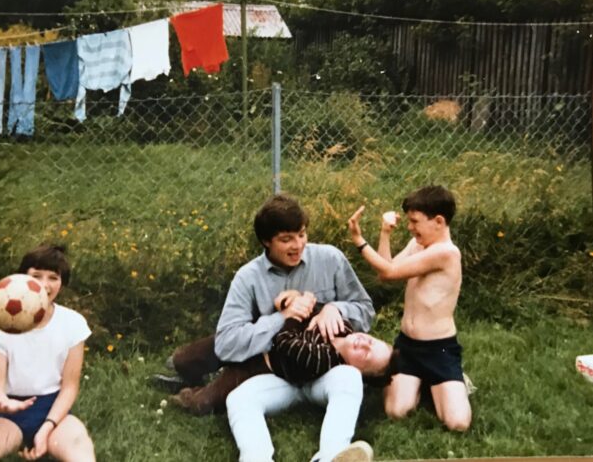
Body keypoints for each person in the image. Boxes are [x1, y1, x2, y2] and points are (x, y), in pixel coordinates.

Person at [216, 193, 375, 462]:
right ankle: (256, 458)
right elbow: (226, 343)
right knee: (239, 399)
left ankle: (332, 456)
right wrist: (283, 318)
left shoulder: (330, 258)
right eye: (286, 239)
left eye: (301, 234)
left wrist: (335, 308)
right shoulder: (247, 277)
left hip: (325, 370)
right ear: (266, 240)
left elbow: (365, 310)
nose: (297, 245)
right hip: (280, 375)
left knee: (349, 377)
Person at [0, 244, 96, 462]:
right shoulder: (2, 323)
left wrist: (47, 428)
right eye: (36, 276)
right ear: (22, 278)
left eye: (53, 278)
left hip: (54, 411)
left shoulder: (73, 323)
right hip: (11, 415)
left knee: (80, 450)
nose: (45, 285)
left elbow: (70, 387)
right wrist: (2, 403)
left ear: (62, 283)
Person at [348, 185, 472, 431]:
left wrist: (359, 241)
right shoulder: (418, 245)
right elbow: (387, 270)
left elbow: (390, 272)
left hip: (440, 349)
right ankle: (426, 383)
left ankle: (454, 382)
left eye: (415, 221)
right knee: (396, 411)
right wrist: (385, 234)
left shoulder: (447, 253)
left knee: (457, 423)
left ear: (438, 221)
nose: (409, 227)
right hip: (408, 346)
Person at [170, 290, 393, 416]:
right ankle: (188, 374)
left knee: (202, 404)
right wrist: (300, 300)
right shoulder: (341, 325)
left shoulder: (322, 360)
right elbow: (310, 303)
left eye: (366, 355)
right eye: (372, 342)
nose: (364, 344)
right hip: (256, 335)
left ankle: (191, 393)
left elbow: (284, 341)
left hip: (258, 367)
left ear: (355, 370)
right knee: (183, 359)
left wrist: (294, 316)